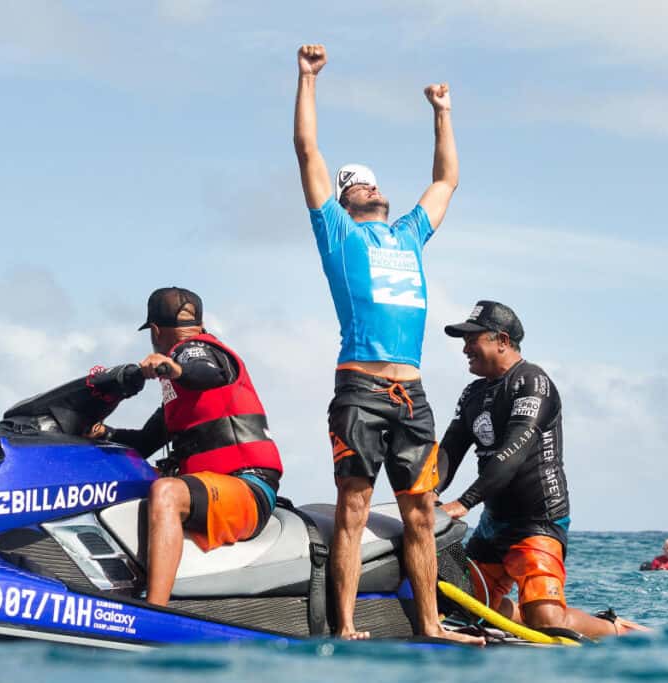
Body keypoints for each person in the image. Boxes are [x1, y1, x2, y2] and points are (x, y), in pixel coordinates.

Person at [293, 44, 480, 645]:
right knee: (352, 509)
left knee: (420, 515)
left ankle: (430, 624)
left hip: (414, 397)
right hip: (361, 391)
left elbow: (447, 179)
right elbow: (308, 152)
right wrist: (307, 79)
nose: (371, 187)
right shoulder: (338, 234)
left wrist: (442, 113)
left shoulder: (409, 235)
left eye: (374, 182)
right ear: (346, 201)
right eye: (359, 184)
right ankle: (345, 627)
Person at [437, 300, 647, 638]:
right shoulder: (473, 393)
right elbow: (450, 449)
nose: (465, 349)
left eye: (472, 339)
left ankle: (618, 630)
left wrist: (463, 503)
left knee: (547, 623)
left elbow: (512, 453)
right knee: (449, 600)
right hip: (493, 526)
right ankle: (508, 618)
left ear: (502, 340)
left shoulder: (533, 382)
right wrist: (426, 493)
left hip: (538, 522)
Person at [87, 287, 283, 607]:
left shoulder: (194, 350)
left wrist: (172, 367)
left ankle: (155, 609)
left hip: (248, 486)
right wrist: (100, 432)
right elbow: (143, 443)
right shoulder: (181, 398)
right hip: (216, 489)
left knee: (167, 492)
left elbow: (202, 370)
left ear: (154, 331)